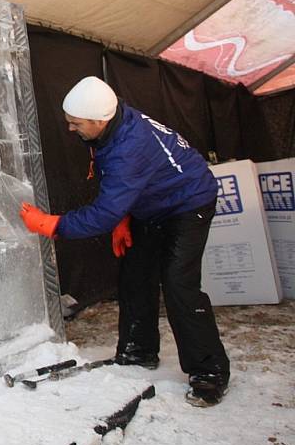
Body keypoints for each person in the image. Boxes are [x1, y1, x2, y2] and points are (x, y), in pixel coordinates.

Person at [20, 76, 230, 407]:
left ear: (98, 120)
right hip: (153, 202)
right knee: (135, 274)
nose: (70, 129)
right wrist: (124, 216)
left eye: (76, 124)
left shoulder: (130, 147)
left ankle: (210, 372)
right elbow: (119, 185)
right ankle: (138, 350)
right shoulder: (110, 126)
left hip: (189, 203)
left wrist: (52, 225)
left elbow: (102, 212)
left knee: (179, 284)